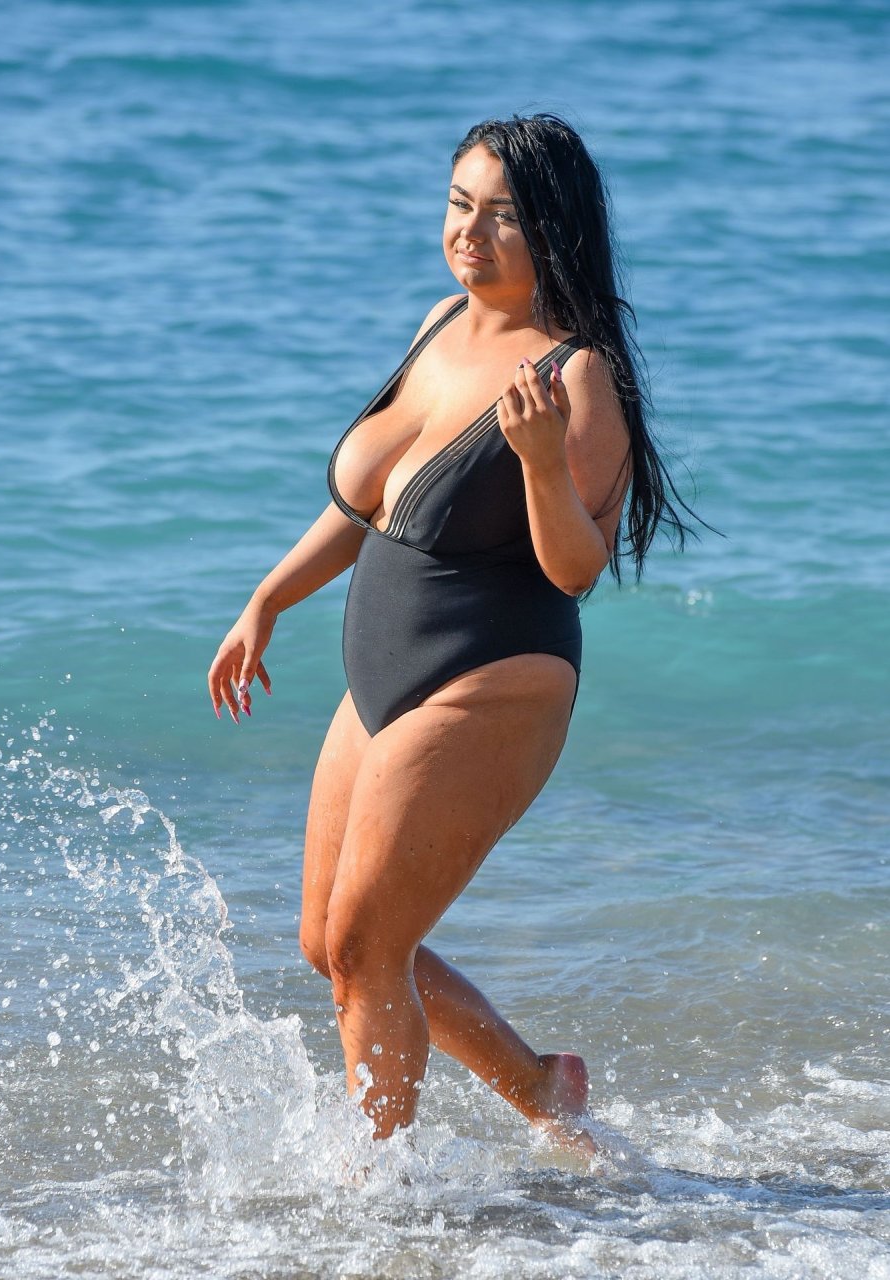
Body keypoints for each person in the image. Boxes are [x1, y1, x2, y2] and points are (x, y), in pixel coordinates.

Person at [208, 114, 692, 1146]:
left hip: (492, 674)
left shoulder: (577, 374)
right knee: (329, 942)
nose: (469, 232)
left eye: (502, 215)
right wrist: (267, 599)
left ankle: (378, 1193)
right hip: (380, 674)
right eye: (458, 204)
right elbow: (369, 506)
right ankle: (541, 1087)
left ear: (553, 230)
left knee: (365, 948)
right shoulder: (439, 324)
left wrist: (539, 462)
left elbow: (575, 567)